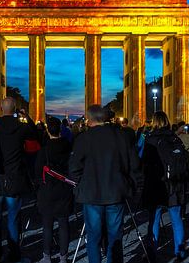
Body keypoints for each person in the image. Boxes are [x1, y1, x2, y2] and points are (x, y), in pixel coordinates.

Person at [69, 105, 142, 263]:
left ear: (89, 120)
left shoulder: (83, 138)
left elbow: (74, 168)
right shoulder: (122, 137)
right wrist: (131, 184)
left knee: (93, 237)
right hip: (116, 193)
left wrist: (80, 184)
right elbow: (135, 165)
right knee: (115, 237)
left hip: (91, 194)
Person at [0, 98, 37, 262]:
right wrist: (26, 116)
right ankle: (14, 253)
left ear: (0, 108)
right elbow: (35, 134)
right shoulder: (20, 127)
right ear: (15, 109)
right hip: (14, 178)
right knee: (13, 218)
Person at [141, 111, 188, 260]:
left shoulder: (150, 139)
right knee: (176, 218)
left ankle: (152, 251)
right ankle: (180, 250)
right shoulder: (175, 138)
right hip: (174, 184)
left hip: (157, 185)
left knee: (154, 219)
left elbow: (144, 163)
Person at [35, 117, 74, 263]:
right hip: (64, 190)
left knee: (47, 226)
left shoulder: (43, 151)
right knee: (64, 224)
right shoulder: (69, 147)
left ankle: (47, 257)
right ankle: (64, 257)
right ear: (60, 130)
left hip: (47, 191)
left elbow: (37, 173)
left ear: (47, 130)